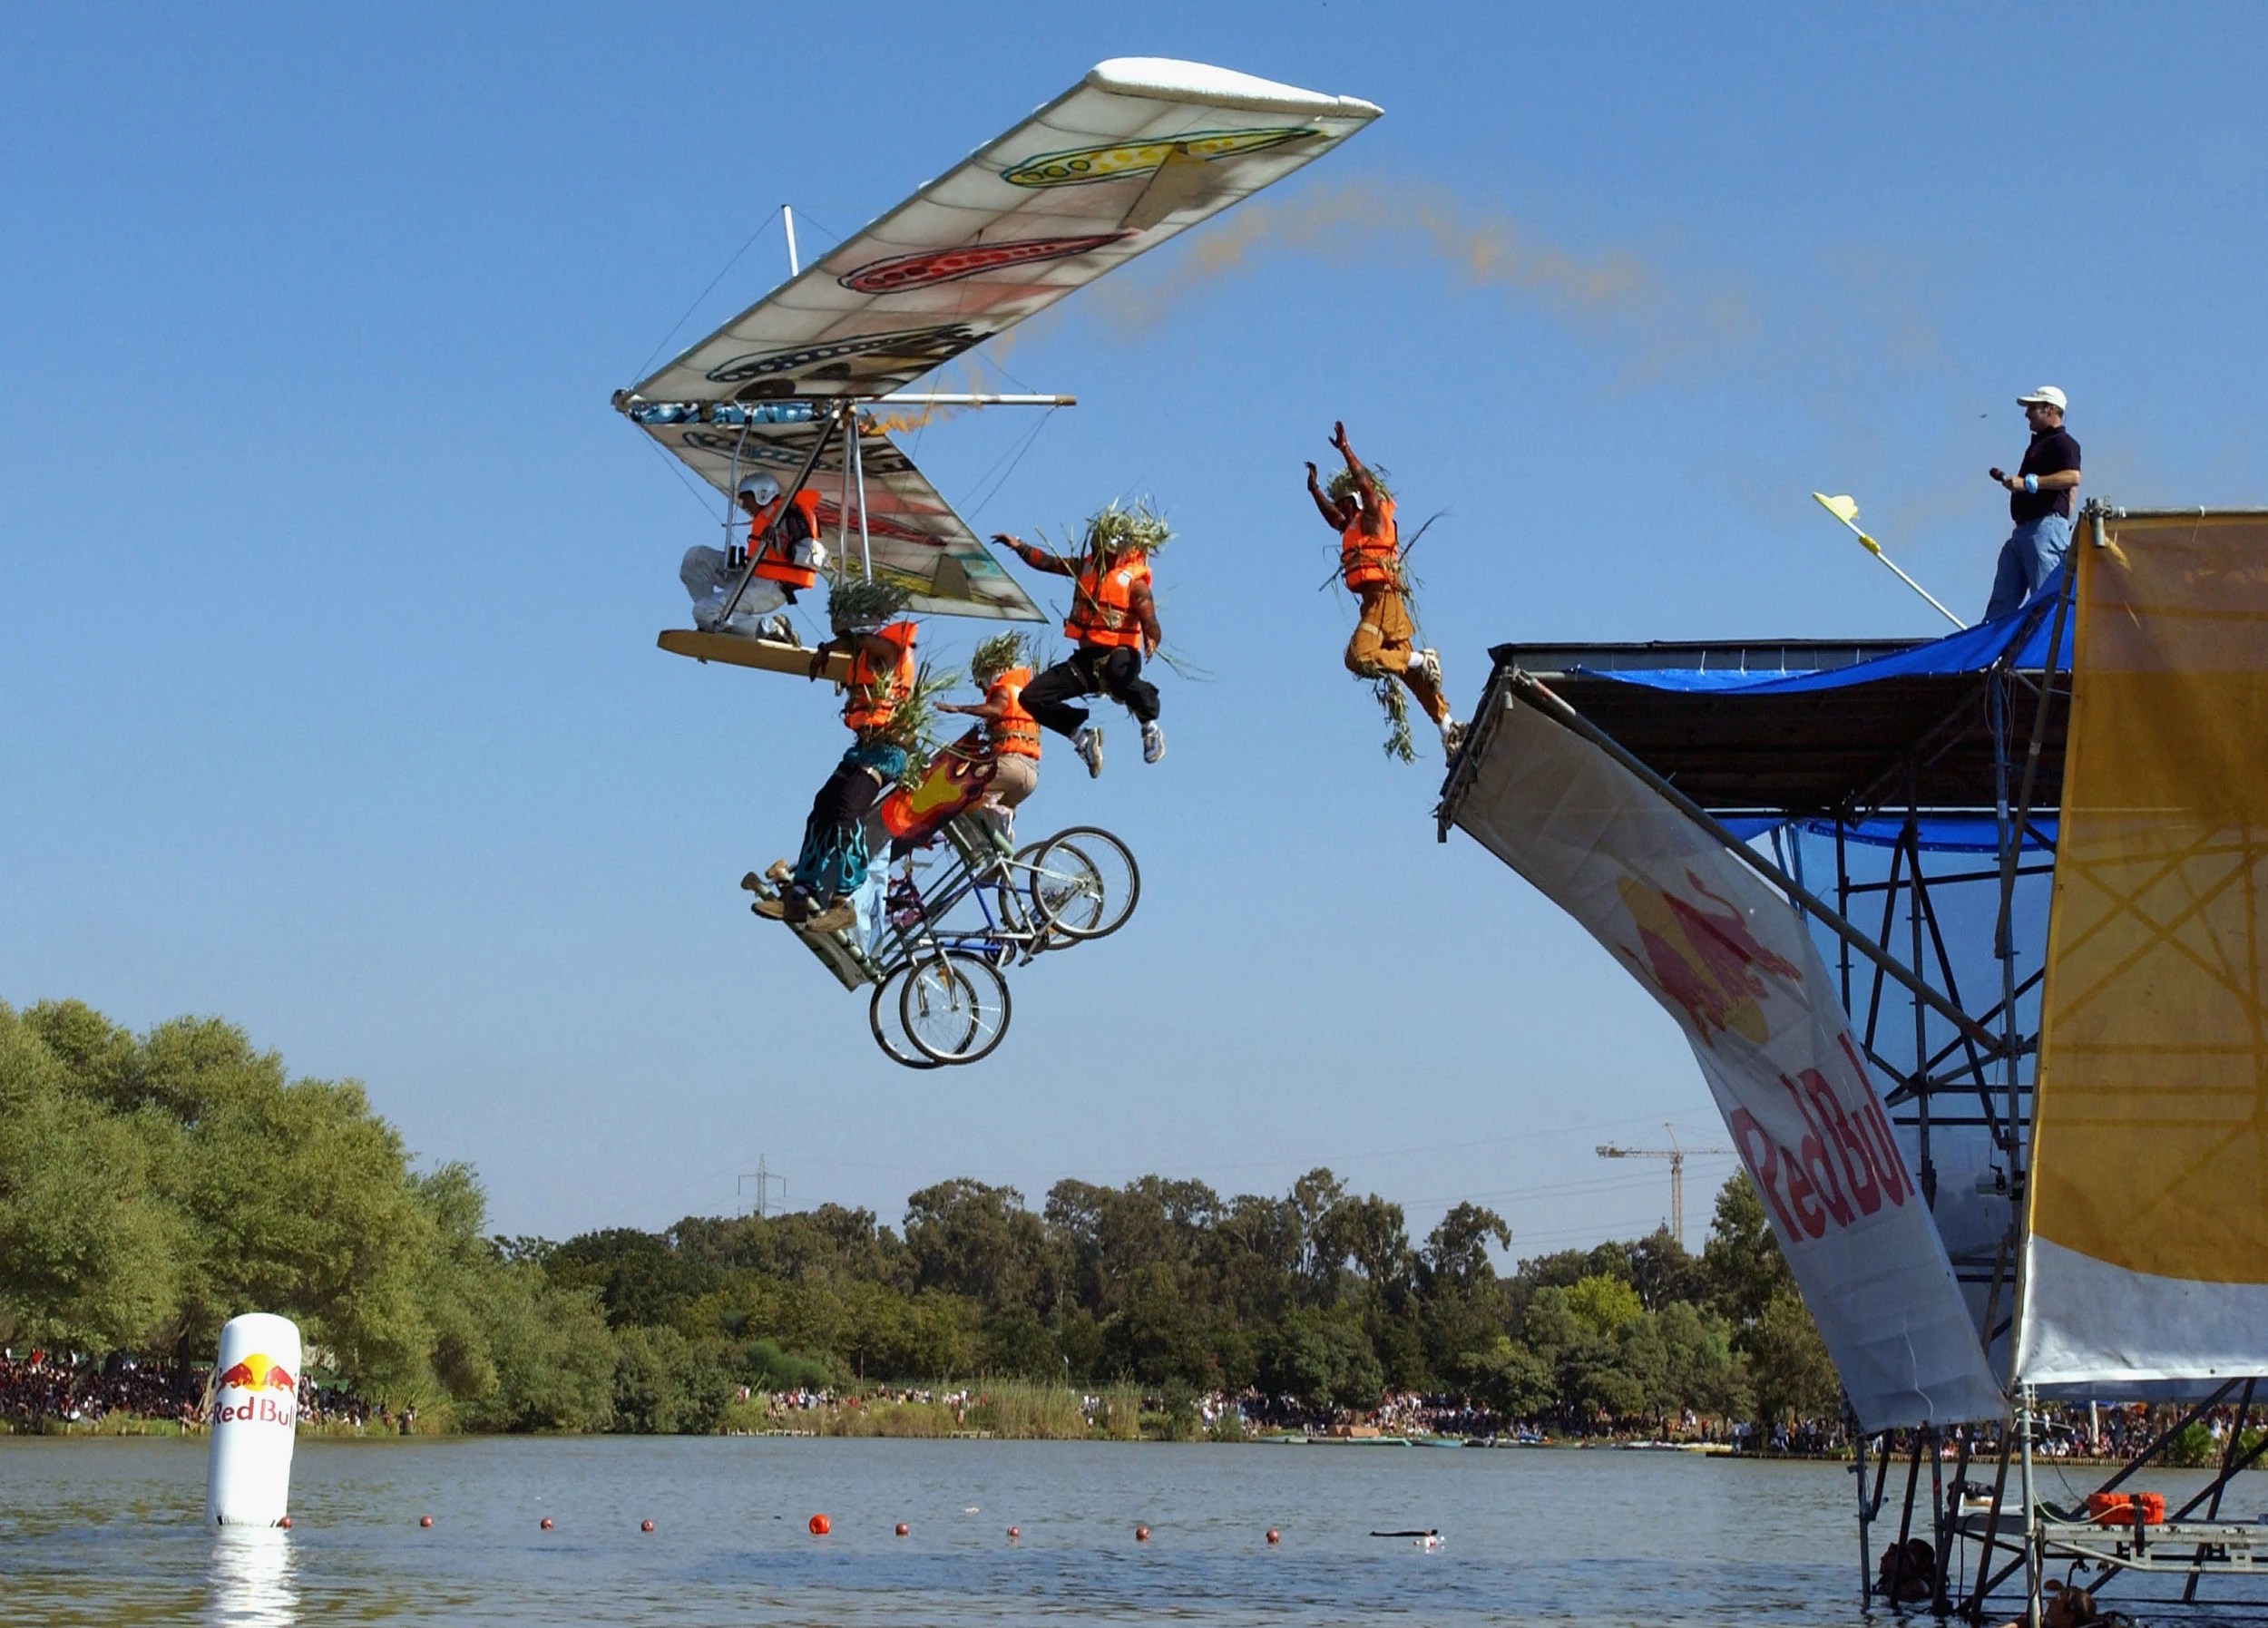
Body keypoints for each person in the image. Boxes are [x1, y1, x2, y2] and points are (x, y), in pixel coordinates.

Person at [758, 579, 917, 931]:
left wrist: (844, 631)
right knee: (823, 808)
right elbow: (855, 642)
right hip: (862, 749)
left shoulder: (892, 651)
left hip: (887, 752)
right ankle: (800, 894)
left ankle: (843, 901)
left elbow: (869, 642)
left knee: (846, 814)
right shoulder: (865, 649)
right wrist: (828, 647)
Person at [1306, 421, 1465, 757]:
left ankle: (1423, 657)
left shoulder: (1374, 517)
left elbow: (1365, 486)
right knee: (1409, 675)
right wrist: (1314, 491)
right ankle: (1448, 726)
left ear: (1358, 503)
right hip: (1375, 601)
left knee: (1359, 657)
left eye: (1346, 504)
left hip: (1384, 597)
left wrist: (1346, 451)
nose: (1342, 511)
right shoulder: (1351, 525)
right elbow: (1333, 519)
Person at [993, 501, 1166, 777]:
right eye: (1095, 548)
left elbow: (1149, 617)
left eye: (1103, 550)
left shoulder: (1135, 583)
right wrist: (1019, 547)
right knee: (1031, 697)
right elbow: (1048, 563)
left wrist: (1151, 638)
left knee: (1119, 674)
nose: (1097, 553)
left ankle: (1150, 726)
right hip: (1086, 661)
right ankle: (1083, 739)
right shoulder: (1085, 568)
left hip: (1121, 654)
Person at [680, 473, 827, 639]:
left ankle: (771, 629)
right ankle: (713, 619)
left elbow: (816, 556)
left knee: (702, 610)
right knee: (696, 557)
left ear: (761, 494)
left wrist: (784, 544)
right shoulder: (766, 516)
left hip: (771, 588)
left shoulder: (789, 515)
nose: (743, 504)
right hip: (752, 576)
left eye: (746, 498)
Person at [1984, 386, 2081, 620]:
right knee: (2002, 601)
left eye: (2032, 408)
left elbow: (2073, 477)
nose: (2027, 413)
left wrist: (2030, 483)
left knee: (2047, 598)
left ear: (2049, 409)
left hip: (2043, 529)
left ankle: (2051, 651)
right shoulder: (2040, 445)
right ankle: (1993, 648)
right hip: (2027, 531)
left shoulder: (2063, 442)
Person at [934, 631, 1041, 844]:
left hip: (1010, 766)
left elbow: (995, 709)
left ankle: (969, 845)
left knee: (953, 791)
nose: (984, 689)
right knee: (986, 817)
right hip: (1028, 774)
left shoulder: (1004, 688)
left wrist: (958, 708)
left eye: (982, 682)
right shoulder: (1026, 694)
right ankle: (996, 861)